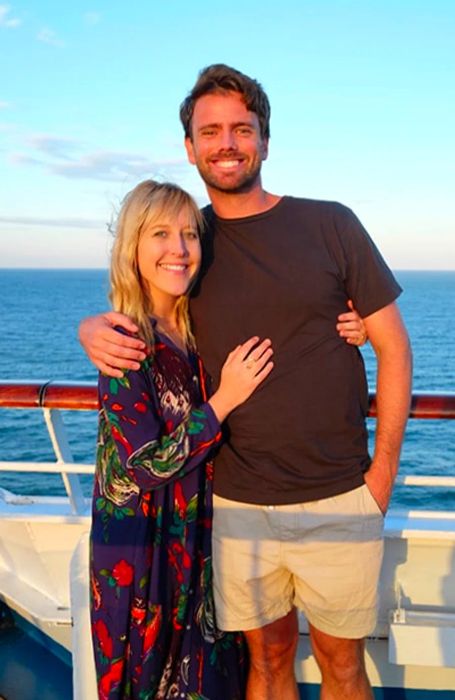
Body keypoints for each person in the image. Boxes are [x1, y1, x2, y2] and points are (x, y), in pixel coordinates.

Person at [81, 65, 412, 700]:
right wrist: (90, 326)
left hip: (340, 493)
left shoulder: (331, 224)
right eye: (210, 131)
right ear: (190, 147)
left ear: (265, 138)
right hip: (235, 506)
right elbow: (149, 299)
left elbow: (394, 346)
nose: (226, 142)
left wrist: (381, 478)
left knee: (345, 667)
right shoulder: (190, 241)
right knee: (266, 664)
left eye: (241, 128)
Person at [90, 179, 275, 699]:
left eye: (190, 234)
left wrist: (350, 322)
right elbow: (145, 465)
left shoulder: (198, 328)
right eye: (160, 234)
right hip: (144, 554)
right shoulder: (125, 342)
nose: (178, 248)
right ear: (133, 248)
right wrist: (225, 399)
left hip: (196, 543)